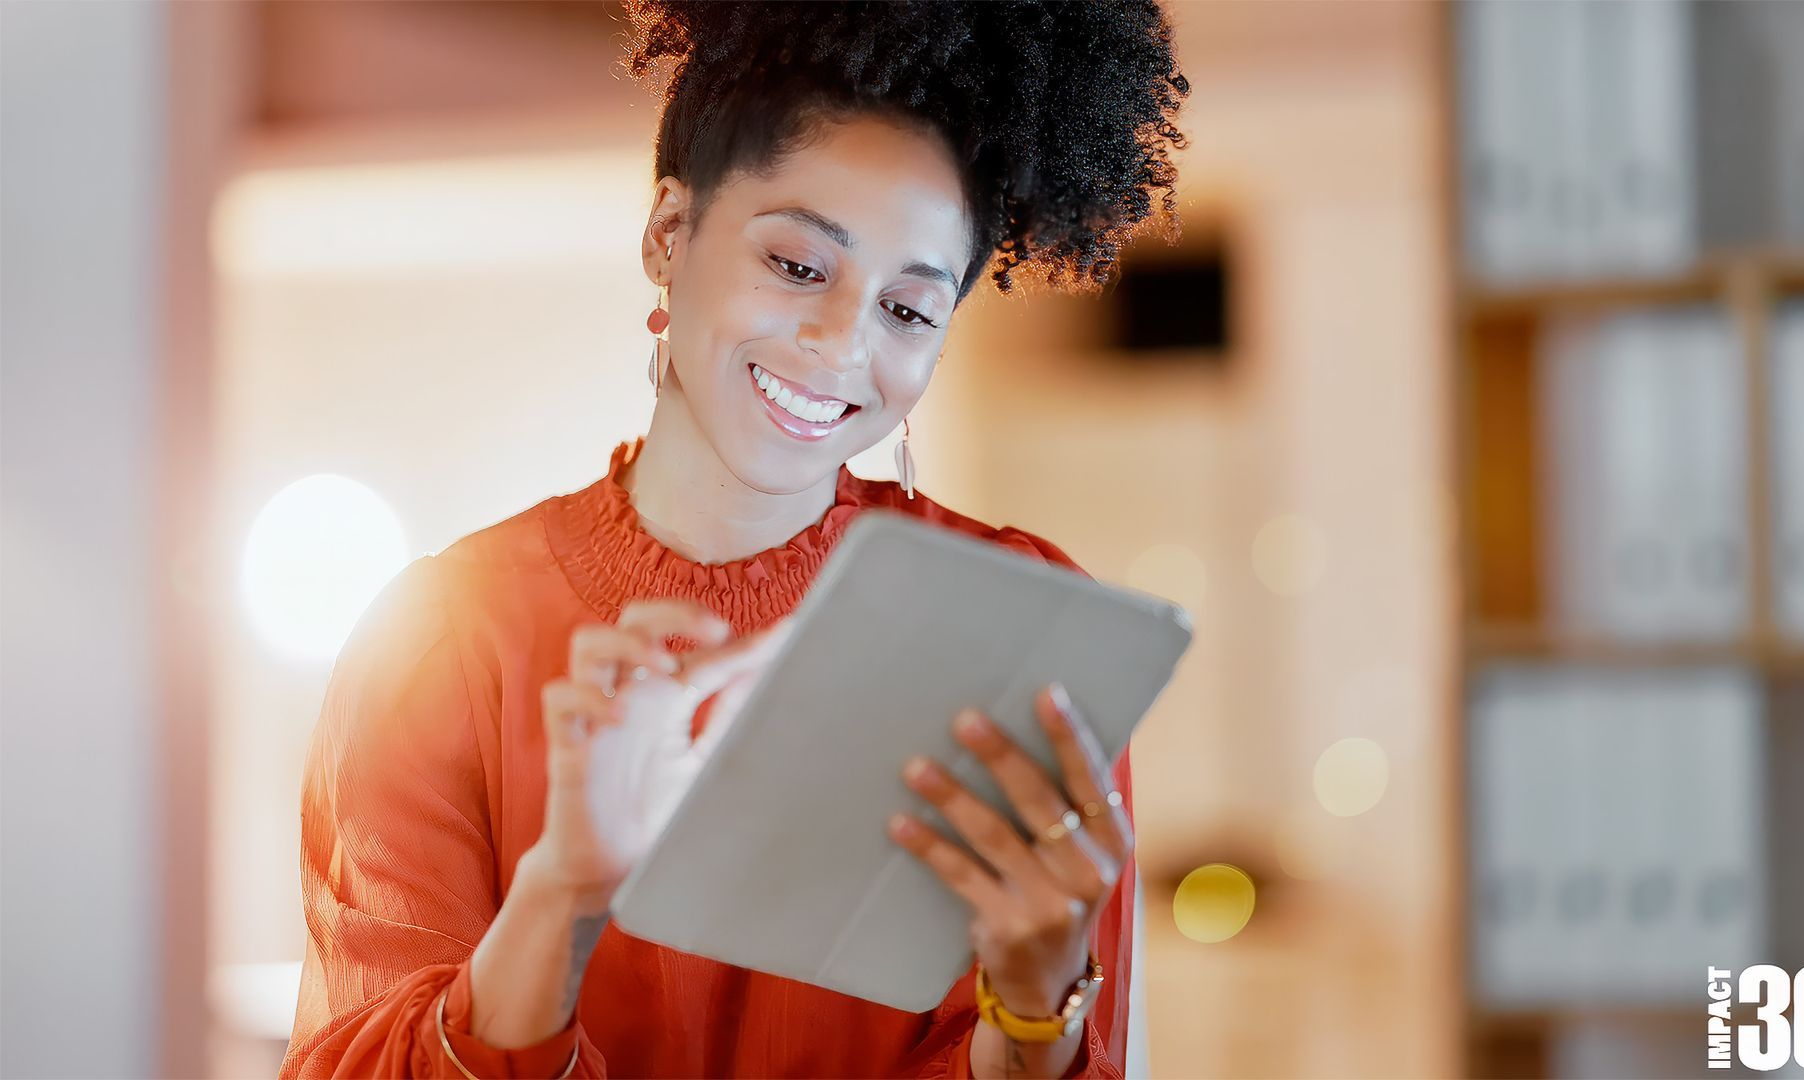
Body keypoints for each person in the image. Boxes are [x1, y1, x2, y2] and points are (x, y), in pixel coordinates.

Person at [280, 1, 1188, 1076]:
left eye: (908, 310)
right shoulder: (438, 638)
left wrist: (1036, 1009)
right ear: (670, 233)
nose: (841, 343)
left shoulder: (1022, 628)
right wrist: (560, 898)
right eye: (800, 266)